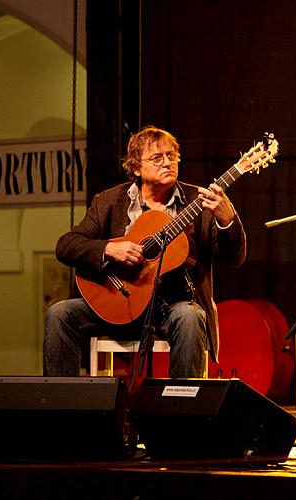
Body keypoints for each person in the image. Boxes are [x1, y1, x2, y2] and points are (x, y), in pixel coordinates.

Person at [44, 125, 247, 378]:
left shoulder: (200, 201)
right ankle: (60, 410)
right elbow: (66, 245)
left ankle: (182, 408)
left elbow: (233, 258)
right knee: (59, 313)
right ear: (136, 168)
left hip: (170, 308)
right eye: (157, 158)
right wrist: (109, 248)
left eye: (172, 156)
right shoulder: (108, 202)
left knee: (190, 315)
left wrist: (227, 220)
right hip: (117, 299)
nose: (167, 163)